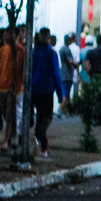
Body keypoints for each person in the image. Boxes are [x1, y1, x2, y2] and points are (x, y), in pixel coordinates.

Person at [30, 28, 63, 157]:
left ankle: (42, 146)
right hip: (46, 89)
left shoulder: (34, 51)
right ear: (48, 37)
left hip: (34, 88)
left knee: (39, 117)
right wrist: (61, 95)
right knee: (46, 118)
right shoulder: (51, 53)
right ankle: (41, 139)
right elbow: (55, 74)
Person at [59, 33, 79, 114]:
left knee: (66, 93)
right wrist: (76, 65)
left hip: (64, 73)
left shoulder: (62, 49)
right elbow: (70, 61)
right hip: (67, 74)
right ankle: (61, 109)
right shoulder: (66, 50)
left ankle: (66, 110)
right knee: (65, 93)